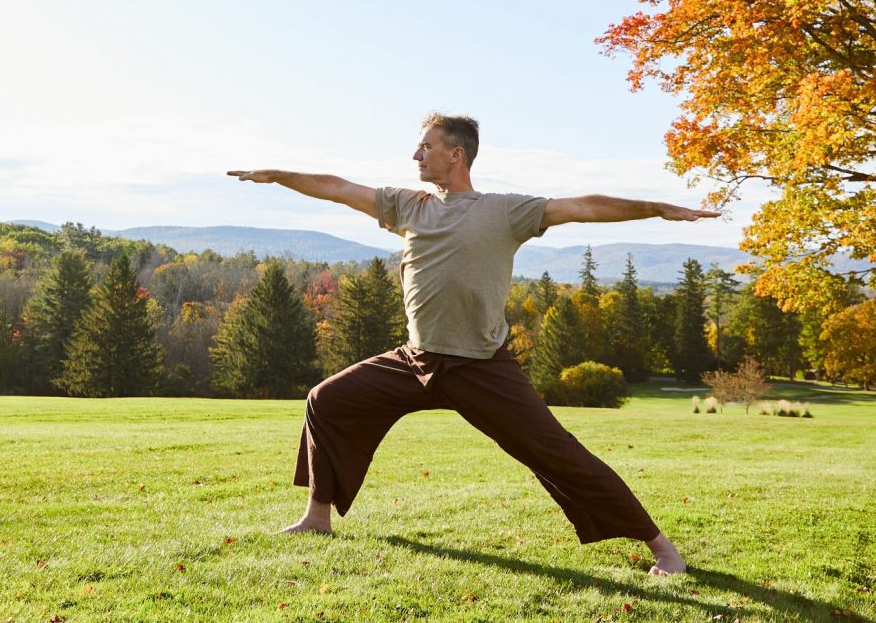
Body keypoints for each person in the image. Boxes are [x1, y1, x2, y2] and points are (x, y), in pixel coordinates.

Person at [227, 113, 718, 576]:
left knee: (557, 452)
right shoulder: (406, 204)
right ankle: (317, 515)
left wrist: (654, 208)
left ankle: (662, 548)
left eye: (426, 147)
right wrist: (277, 174)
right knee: (326, 399)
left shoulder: (505, 211)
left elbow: (583, 206)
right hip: (415, 359)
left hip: (480, 366)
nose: (416, 155)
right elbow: (336, 187)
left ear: (456, 155)